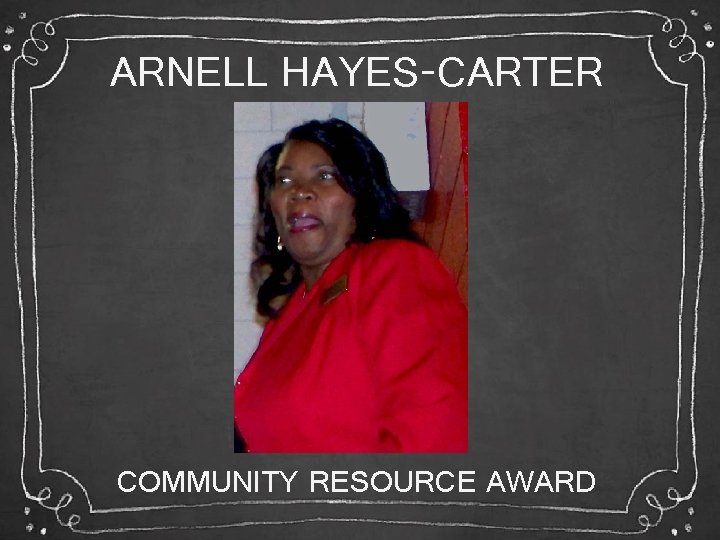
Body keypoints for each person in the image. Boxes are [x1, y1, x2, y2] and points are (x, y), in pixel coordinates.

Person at [234, 118, 467, 453]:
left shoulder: (393, 267)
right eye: (284, 180)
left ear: (360, 199)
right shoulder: (283, 320)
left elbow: (438, 424)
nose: (299, 190)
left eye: (325, 175)